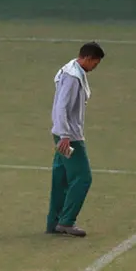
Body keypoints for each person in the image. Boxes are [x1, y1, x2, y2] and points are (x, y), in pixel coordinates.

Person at [46, 42, 105, 238]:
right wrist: (65, 135)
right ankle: (66, 221)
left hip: (61, 132)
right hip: (70, 136)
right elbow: (62, 106)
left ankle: (54, 221)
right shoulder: (73, 77)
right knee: (83, 178)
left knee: (61, 178)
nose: (94, 68)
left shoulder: (69, 69)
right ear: (88, 58)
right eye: (95, 63)